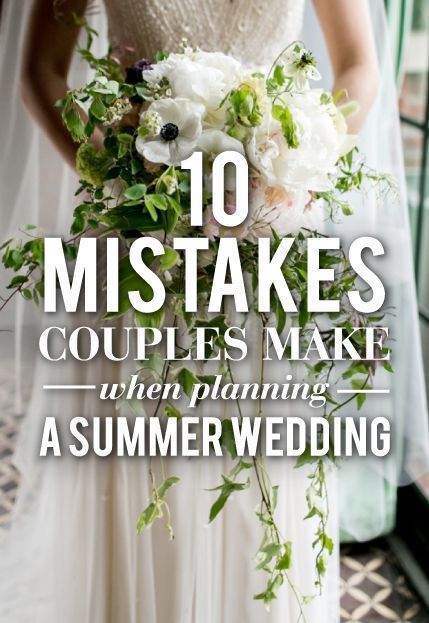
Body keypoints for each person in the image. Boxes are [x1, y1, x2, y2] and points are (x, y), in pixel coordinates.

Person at [0, 1, 424, 622]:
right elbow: (41, 71)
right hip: (135, 238)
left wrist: (293, 171)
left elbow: (359, 67)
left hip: (266, 235)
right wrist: (123, 180)